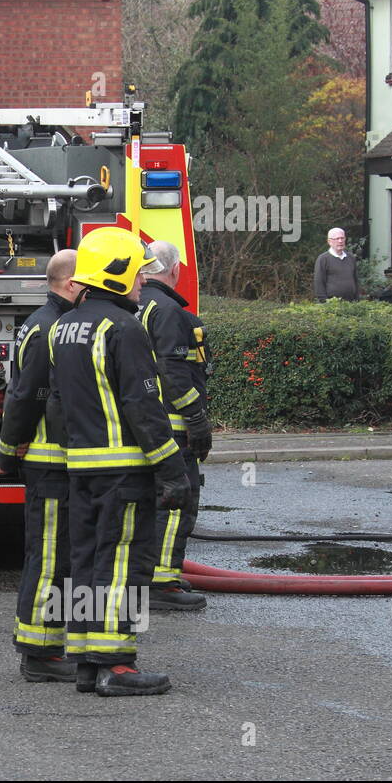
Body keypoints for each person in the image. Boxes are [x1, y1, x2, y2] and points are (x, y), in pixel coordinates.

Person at [46, 227, 190, 696]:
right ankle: (117, 666)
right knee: (124, 563)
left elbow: (56, 403)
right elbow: (144, 409)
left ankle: (88, 660)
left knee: (86, 562)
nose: (143, 282)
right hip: (124, 471)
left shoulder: (64, 326)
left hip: (81, 469)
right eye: (137, 272)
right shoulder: (124, 329)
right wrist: (173, 470)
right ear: (114, 272)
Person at [0, 249, 80, 683]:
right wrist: (7, 452)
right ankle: (39, 652)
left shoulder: (42, 322)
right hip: (49, 464)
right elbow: (25, 397)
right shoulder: (50, 329)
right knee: (48, 558)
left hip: (56, 463)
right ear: (69, 284)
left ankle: (49, 645)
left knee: (58, 556)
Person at [138, 239, 212, 611]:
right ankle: (162, 582)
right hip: (171, 426)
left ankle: (150, 574)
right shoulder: (167, 310)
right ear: (175, 270)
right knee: (176, 500)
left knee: (150, 502)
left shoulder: (134, 305)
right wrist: (196, 417)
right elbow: (173, 371)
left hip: (140, 425)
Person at [314, 228, 360, 301]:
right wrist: (324, 302)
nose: (340, 241)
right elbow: (319, 282)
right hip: (332, 305)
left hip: (351, 304)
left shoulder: (351, 258)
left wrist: (357, 299)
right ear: (329, 241)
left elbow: (355, 280)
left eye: (342, 238)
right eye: (337, 239)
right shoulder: (323, 259)